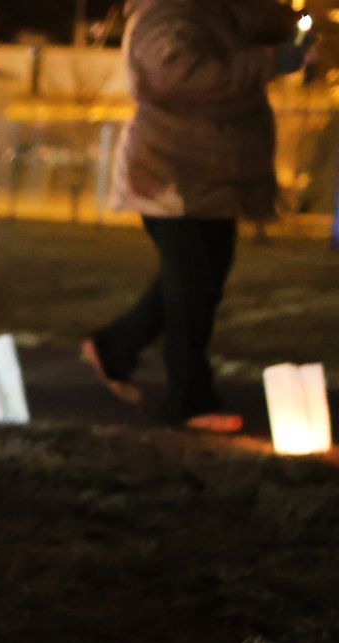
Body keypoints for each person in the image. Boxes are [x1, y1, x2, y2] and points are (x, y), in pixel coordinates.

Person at [83, 0, 313, 433]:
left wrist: (295, 27)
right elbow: (176, 76)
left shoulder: (215, 9)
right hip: (170, 176)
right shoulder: (164, 14)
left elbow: (255, 21)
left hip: (212, 176)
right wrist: (268, 61)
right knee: (192, 289)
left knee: (196, 282)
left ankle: (114, 348)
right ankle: (188, 399)